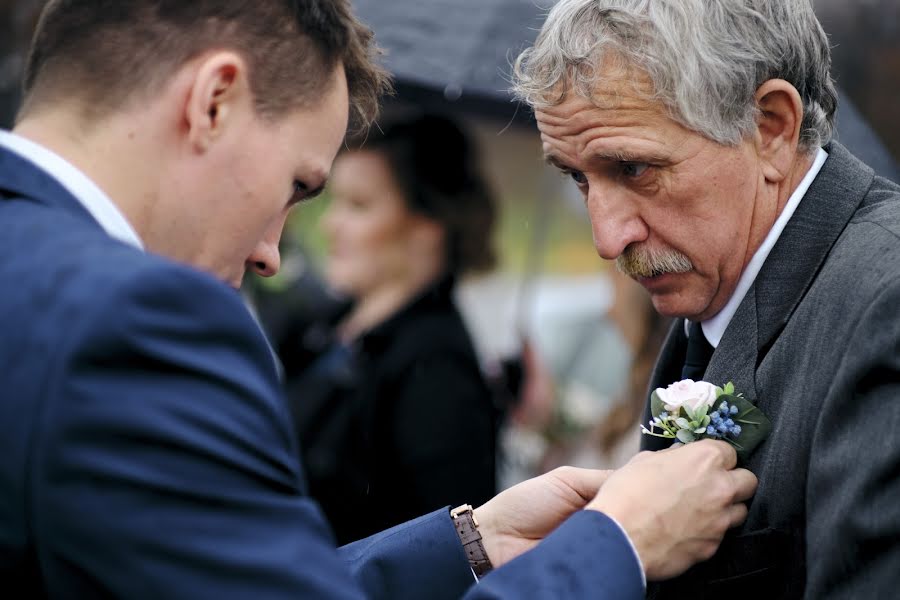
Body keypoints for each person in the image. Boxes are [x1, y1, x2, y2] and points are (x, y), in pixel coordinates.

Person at [0, 1, 757, 598]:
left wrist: (468, 544)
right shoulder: (136, 322)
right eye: (299, 185)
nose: (272, 252)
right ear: (214, 101)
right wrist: (616, 544)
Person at [513, 0, 900, 598]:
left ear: (771, 127)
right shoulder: (718, 282)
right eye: (579, 178)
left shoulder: (885, 305)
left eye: (635, 168)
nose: (607, 237)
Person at [281, 114, 498, 544]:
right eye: (335, 202)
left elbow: (457, 543)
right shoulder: (322, 326)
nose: (330, 225)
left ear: (428, 224)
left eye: (358, 206)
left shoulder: (437, 368)